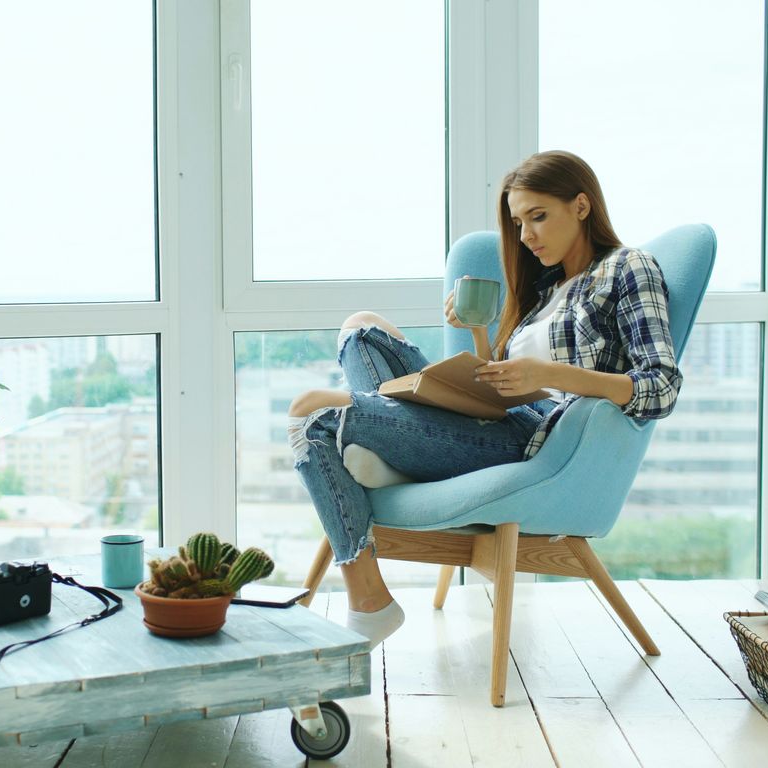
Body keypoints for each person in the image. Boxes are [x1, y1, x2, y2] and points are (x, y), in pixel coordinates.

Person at [287, 150, 682, 647]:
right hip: (490, 419)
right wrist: (477, 332)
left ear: (582, 206)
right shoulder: (545, 288)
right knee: (361, 329)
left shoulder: (628, 268)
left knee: (314, 414)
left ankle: (370, 600)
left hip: (531, 441)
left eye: (538, 217)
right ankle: (390, 453)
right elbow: (500, 380)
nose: (526, 236)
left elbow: (660, 386)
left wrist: (552, 373)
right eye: (518, 222)